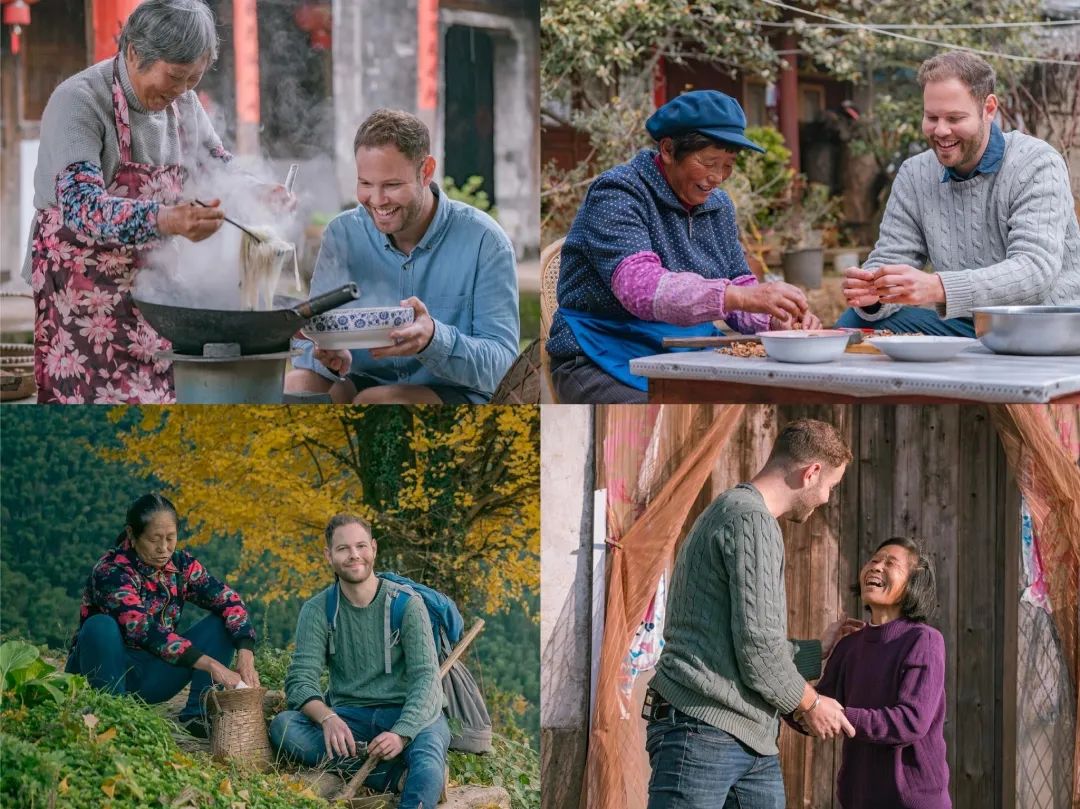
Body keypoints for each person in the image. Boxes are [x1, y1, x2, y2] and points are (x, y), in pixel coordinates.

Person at [25, 0, 290, 404]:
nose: (181, 91)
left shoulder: (183, 103)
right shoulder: (79, 100)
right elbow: (82, 207)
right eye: (175, 76)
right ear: (134, 51)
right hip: (81, 294)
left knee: (163, 407)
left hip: (155, 292)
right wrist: (167, 220)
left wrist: (258, 190)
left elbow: (215, 163)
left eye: (193, 79)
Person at [546, 90, 821, 404]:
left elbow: (739, 279)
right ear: (667, 149)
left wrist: (773, 316)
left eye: (728, 165)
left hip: (686, 351)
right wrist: (741, 296)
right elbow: (641, 289)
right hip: (601, 353)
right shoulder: (618, 192)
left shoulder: (718, 205)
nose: (717, 177)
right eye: (708, 162)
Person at [645, 419, 861, 809]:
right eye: (830, 485)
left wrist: (816, 650)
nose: (827, 498)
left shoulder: (736, 511)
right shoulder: (750, 520)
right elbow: (759, 652)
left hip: (748, 739)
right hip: (703, 733)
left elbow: (736, 642)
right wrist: (811, 705)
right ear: (811, 472)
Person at [285, 109, 519, 404]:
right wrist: (328, 353)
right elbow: (314, 335)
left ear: (426, 171)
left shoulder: (485, 242)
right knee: (295, 386)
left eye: (392, 185)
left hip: (453, 392)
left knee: (379, 400)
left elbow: (504, 367)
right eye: (366, 184)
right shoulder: (343, 234)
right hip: (359, 380)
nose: (378, 201)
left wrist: (434, 339)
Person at [837, 51, 1080, 335]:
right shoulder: (914, 174)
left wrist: (937, 287)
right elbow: (893, 256)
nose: (940, 130)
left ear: (989, 109)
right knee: (854, 325)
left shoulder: (1037, 163)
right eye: (932, 117)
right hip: (968, 322)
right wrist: (873, 292)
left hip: (1046, 324)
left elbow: (1035, 271)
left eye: (954, 118)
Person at [269, 515, 449, 809]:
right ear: (329, 556)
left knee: (428, 763)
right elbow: (300, 681)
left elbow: (426, 680)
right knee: (285, 727)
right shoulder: (318, 610)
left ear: (374, 549)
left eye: (361, 546)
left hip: (410, 711)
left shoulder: (407, 604)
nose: (354, 555)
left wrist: (401, 734)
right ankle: (395, 777)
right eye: (343, 548)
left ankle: (415, 774)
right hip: (350, 717)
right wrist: (327, 718)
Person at [66, 494, 259, 737]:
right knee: (99, 626)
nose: (164, 548)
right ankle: (109, 713)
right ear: (132, 535)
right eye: (154, 540)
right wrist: (212, 665)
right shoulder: (112, 570)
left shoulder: (181, 566)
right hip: (104, 668)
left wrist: (245, 652)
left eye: (171, 538)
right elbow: (142, 629)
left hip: (152, 674)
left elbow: (229, 600)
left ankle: (197, 715)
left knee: (223, 622)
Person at [792, 537, 950, 809]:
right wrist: (788, 699)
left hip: (913, 803)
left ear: (914, 582)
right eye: (874, 560)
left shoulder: (924, 640)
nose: (876, 567)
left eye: (890, 562)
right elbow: (815, 711)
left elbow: (911, 721)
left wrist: (840, 715)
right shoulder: (849, 646)